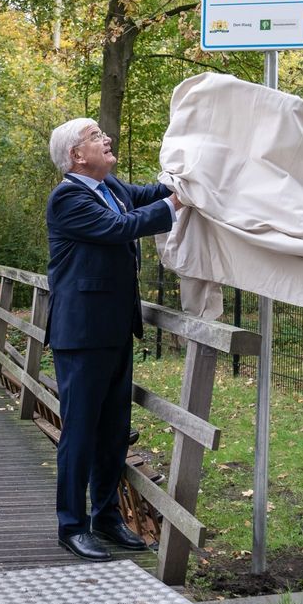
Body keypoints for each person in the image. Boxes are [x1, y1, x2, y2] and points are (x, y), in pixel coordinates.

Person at [45, 118, 181, 561]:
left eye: (103, 133)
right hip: (82, 335)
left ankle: (107, 516)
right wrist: (176, 205)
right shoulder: (68, 198)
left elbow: (147, 195)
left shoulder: (113, 187)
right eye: (95, 136)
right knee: (81, 433)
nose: (107, 139)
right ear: (76, 156)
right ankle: (71, 524)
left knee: (113, 432)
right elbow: (120, 228)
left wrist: (187, 174)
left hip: (117, 329)